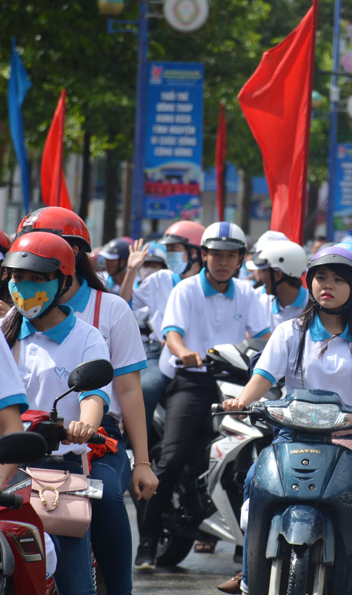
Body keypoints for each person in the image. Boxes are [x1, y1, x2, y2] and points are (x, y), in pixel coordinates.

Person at [222, 246, 352, 595]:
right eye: (321, 277)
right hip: (293, 436)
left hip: (351, 441)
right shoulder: (291, 330)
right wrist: (241, 401)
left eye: (338, 279)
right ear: (310, 282)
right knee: (252, 480)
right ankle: (248, 580)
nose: (328, 285)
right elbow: (263, 376)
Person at [18, 207, 158, 595]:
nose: (30, 276)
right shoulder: (12, 319)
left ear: (72, 258)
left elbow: (126, 390)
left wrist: (142, 463)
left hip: (89, 438)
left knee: (107, 496)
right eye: (22, 268)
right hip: (17, 436)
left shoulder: (108, 310)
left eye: (44, 263)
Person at [136, 222, 270, 570]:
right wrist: (184, 353)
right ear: (204, 255)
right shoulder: (186, 290)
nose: (223, 262)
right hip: (192, 381)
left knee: (263, 454)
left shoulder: (247, 293)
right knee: (173, 457)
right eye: (216, 255)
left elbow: (267, 337)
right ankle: (147, 542)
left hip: (237, 385)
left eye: (230, 255)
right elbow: (172, 334)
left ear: (241, 259)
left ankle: (251, 543)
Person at [2, 231, 112, 595]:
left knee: (76, 587)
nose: (23, 286)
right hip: (7, 467)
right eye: (18, 277)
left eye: (37, 278)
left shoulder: (87, 337)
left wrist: (84, 425)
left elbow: (94, 395)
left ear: (63, 281)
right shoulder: (4, 332)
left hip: (57, 473)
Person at [120, 221, 206, 435]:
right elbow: (124, 306)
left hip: (205, 356)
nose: (169, 255)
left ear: (195, 252)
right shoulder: (160, 279)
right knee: (147, 387)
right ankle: (135, 448)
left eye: (174, 249)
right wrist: (131, 271)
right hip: (159, 352)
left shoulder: (211, 284)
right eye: (168, 250)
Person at [253, 239, 309, 331]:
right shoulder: (263, 301)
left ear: (277, 275)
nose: (261, 277)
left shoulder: (313, 305)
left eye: (264, 272)